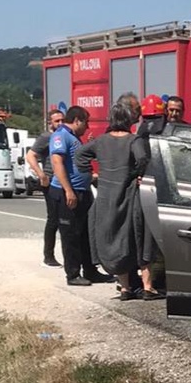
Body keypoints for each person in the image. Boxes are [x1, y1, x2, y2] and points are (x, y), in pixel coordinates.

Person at [74, 102, 163, 300]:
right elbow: (142, 160)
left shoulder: (100, 141)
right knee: (141, 238)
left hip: (106, 197)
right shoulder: (134, 140)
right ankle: (148, 287)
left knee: (115, 239)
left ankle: (125, 288)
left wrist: (90, 173)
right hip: (130, 195)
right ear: (128, 120)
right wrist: (135, 175)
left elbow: (80, 154)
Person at [48, 106, 114, 287]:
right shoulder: (61, 136)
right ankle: (73, 274)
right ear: (77, 120)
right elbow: (57, 162)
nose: (87, 126)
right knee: (71, 235)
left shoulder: (75, 138)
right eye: (86, 122)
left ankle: (91, 270)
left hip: (82, 191)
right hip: (67, 193)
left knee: (86, 233)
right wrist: (68, 190)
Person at [26, 108, 65, 267]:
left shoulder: (64, 136)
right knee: (53, 219)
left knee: (65, 220)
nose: (60, 123)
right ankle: (48, 256)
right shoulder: (46, 137)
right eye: (57, 121)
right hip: (50, 182)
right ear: (51, 123)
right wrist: (41, 174)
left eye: (62, 120)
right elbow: (30, 155)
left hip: (63, 181)